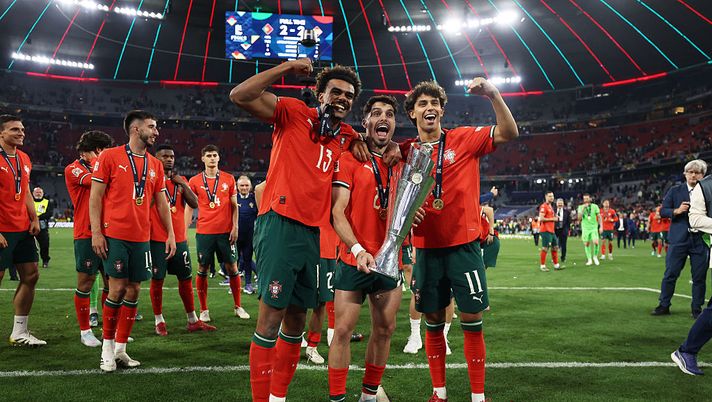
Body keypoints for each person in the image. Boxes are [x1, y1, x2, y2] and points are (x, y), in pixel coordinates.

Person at [230, 60, 364, 402]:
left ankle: (278, 398)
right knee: (270, 320)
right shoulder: (293, 112)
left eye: (349, 95)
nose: (343, 99)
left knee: (295, 322)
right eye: (336, 91)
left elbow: (373, 150)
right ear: (320, 94)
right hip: (280, 223)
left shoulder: (347, 137)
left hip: (313, 234)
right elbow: (240, 95)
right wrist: (287, 68)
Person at [402, 78, 518, 402]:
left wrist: (493, 94)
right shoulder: (406, 154)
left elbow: (509, 133)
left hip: (464, 247)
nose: (429, 108)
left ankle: (478, 397)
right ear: (412, 113)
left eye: (434, 103)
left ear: (441, 109)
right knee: (434, 320)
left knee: (472, 319)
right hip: (426, 249)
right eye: (422, 104)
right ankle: (439, 393)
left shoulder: (464, 139)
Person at [328, 95, 409, 402]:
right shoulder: (350, 158)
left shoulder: (401, 160)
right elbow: (338, 212)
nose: (383, 118)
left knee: (385, 329)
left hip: (389, 262)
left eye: (389, 113)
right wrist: (358, 248)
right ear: (366, 123)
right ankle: (337, 399)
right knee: (343, 331)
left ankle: (368, 395)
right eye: (376, 113)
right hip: (354, 259)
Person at [90, 110, 177, 371]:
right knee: (116, 290)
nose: (157, 131)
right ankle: (106, 348)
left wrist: (170, 233)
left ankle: (120, 350)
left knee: (134, 290)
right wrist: (96, 232)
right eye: (152, 126)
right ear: (136, 129)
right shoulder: (109, 156)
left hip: (143, 237)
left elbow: (162, 203)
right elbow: (95, 197)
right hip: (115, 234)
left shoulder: (156, 164)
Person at [149, 145, 216, 335]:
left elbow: (195, 203)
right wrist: (157, 185)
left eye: (171, 156)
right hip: (157, 239)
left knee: (185, 279)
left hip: (179, 240)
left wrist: (183, 185)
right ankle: (159, 320)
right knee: (157, 280)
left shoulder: (181, 181)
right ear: (156, 159)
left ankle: (192, 319)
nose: (169, 159)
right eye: (164, 156)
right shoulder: (150, 180)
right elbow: (146, 206)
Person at [186, 145, 250, 322]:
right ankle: (204, 310)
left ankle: (238, 306)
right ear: (203, 159)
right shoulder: (194, 181)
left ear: (219, 158)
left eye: (215, 155)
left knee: (233, 268)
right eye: (209, 155)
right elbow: (190, 207)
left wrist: (235, 227)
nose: (212, 158)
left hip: (225, 232)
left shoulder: (229, 179)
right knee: (202, 268)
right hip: (205, 232)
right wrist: (183, 231)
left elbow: (234, 206)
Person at [65, 130, 114, 347]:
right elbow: (94, 180)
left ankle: (108, 331)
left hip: (111, 231)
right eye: (103, 150)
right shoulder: (73, 169)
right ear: (96, 150)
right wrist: (101, 161)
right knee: (86, 282)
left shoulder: (102, 164)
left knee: (112, 282)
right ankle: (85, 331)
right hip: (86, 233)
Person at [0, 114, 45, 346]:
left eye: (23, 129)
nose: (21, 133)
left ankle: (19, 332)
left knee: (31, 275)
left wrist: (34, 217)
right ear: (1, 134)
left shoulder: (24, 158)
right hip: (2, 228)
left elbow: (25, 190)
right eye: (15, 130)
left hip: (23, 228)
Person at [652, 160, 708, 319]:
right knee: (670, 273)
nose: (693, 175)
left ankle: (697, 310)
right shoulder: (675, 191)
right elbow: (662, 211)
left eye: (697, 172)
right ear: (685, 174)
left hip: (700, 239)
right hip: (678, 239)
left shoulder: (707, 192)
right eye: (690, 172)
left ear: (703, 175)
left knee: (699, 277)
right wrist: (677, 210)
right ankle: (664, 305)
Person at [671, 163, 712, 375]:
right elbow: (695, 219)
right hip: (684, 241)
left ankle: (687, 351)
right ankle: (687, 351)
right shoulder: (704, 187)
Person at [236, 175, 258, 294]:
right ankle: (233, 285)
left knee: (248, 260)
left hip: (249, 236)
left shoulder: (255, 199)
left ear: (250, 186)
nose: (244, 188)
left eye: (246, 185)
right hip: (235, 236)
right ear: (237, 186)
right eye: (242, 185)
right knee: (235, 261)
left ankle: (248, 284)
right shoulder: (233, 199)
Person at [538, 191, 561, 272]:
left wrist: (555, 217)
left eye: (552, 196)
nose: (552, 197)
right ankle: (542, 266)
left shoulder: (551, 206)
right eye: (550, 196)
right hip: (545, 230)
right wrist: (553, 219)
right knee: (545, 248)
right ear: (546, 197)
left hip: (551, 230)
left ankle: (556, 265)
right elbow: (541, 218)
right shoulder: (544, 206)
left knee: (555, 247)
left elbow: (549, 217)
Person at [32, 186, 54, 268]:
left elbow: (49, 213)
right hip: (30, 225)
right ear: (33, 193)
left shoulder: (47, 202)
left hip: (42, 226)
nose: (38, 194)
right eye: (36, 192)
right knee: (29, 245)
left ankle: (45, 260)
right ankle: (33, 261)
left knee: (44, 245)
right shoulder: (29, 201)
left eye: (40, 192)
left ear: (43, 193)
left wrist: (37, 218)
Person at [577, 194, 601, 266]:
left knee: (596, 242)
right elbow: (579, 218)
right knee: (586, 244)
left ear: (590, 199)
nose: (586, 200)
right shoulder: (580, 207)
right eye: (585, 199)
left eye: (587, 198)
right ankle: (589, 259)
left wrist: (601, 226)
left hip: (594, 227)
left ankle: (595, 257)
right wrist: (583, 209)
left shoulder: (595, 206)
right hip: (585, 228)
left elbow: (599, 217)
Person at [554, 198, 571, 263]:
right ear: (556, 204)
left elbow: (568, 222)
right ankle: (554, 258)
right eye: (559, 203)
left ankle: (563, 257)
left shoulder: (567, 212)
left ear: (563, 204)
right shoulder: (553, 211)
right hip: (555, 229)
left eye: (561, 203)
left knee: (564, 245)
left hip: (563, 229)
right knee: (554, 244)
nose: (560, 204)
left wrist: (568, 230)